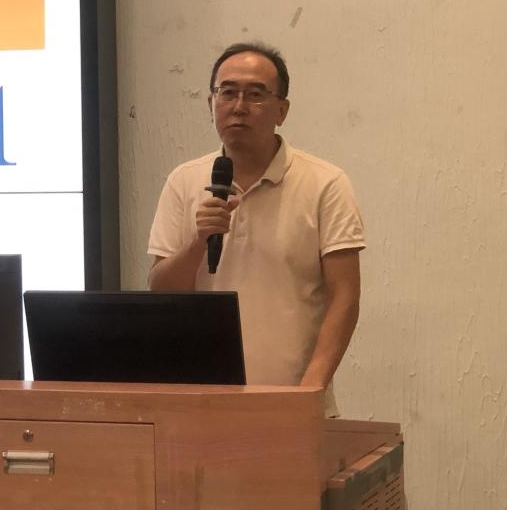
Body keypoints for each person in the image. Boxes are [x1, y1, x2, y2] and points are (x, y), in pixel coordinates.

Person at [147, 42, 365, 416]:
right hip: (201, 403)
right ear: (211, 103)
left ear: (282, 110)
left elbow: (344, 296)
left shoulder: (325, 183)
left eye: (255, 94)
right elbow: (161, 291)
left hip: (294, 401)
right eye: (227, 92)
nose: (239, 106)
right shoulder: (183, 181)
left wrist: (309, 391)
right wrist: (199, 240)